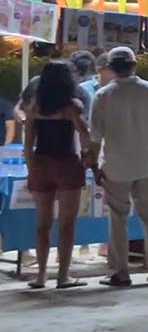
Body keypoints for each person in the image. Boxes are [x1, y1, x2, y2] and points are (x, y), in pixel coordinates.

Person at [91, 47, 148, 288]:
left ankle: (121, 272)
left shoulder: (103, 96)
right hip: (147, 163)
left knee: (118, 219)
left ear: (112, 68)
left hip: (116, 167)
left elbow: (95, 137)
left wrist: (94, 167)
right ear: (134, 65)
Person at [21, 61, 96, 290]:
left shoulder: (36, 106)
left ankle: (41, 275)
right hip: (66, 163)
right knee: (67, 224)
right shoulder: (72, 106)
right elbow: (84, 134)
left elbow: (28, 142)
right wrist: (88, 160)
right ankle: (63, 275)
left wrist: (31, 164)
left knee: (42, 224)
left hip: (41, 163)